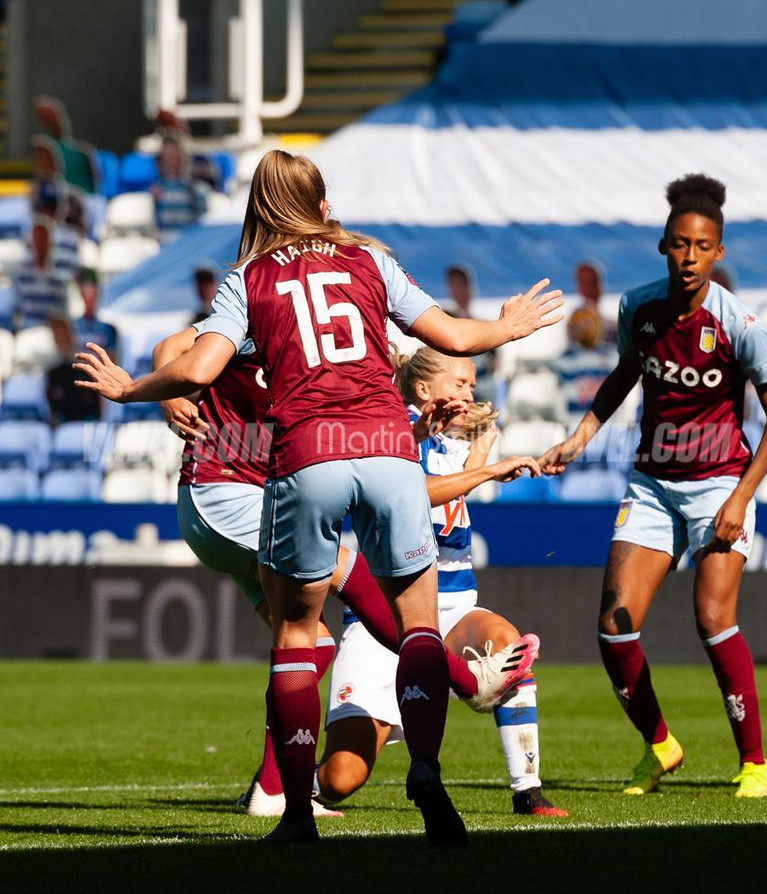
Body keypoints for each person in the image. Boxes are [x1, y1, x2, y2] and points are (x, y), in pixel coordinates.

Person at [73, 148, 563, 844]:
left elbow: (199, 364)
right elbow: (452, 336)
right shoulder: (369, 259)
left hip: (306, 457)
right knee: (418, 626)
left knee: (297, 633)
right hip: (388, 448)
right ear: (324, 206)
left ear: (261, 212)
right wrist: (508, 328)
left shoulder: (250, 277)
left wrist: (131, 391)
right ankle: (426, 769)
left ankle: (297, 814)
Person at [152, 325, 535, 819]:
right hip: (225, 494)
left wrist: (415, 434)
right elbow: (171, 346)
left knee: (313, 643)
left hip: (238, 502)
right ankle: (464, 679)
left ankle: (271, 791)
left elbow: (346, 444)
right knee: (353, 577)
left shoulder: (316, 360)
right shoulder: (260, 309)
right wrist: (168, 397)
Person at [540, 174, 767, 798]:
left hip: (718, 487)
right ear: (663, 246)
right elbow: (625, 376)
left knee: (712, 618)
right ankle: (660, 747)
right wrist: (580, 436)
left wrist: (739, 497)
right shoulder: (638, 309)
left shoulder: (739, 325)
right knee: (614, 626)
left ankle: (755, 763)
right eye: (679, 244)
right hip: (652, 484)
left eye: (702, 246)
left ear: (718, 252)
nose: (689, 257)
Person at [318, 347, 566, 818]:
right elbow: (414, 493)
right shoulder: (393, 430)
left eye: (473, 384)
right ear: (425, 389)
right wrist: (487, 468)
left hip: (453, 605)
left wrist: (481, 457)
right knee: (341, 778)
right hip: (383, 619)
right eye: (460, 383)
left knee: (509, 649)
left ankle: (528, 792)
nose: (470, 393)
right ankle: (285, 784)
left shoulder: (455, 442)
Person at [554, 305, 615, 416]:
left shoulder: (563, 361)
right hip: (605, 425)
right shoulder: (612, 358)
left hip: (573, 426)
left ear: (570, 329)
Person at [151, 133, 209, 240]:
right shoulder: (154, 192)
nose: (174, 161)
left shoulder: (198, 190)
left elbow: (202, 225)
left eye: (177, 156)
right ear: (160, 161)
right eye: (169, 156)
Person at [14, 217, 70, 328]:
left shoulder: (59, 279)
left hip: (51, 334)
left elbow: (61, 313)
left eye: (43, 239)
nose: (40, 244)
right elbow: (17, 310)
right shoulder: (21, 277)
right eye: (37, 239)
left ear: (50, 242)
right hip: (27, 332)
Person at [571, 259, 616, 346]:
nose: (590, 289)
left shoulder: (613, 327)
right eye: (585, 283)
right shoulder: (576, 322)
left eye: (593, 282)